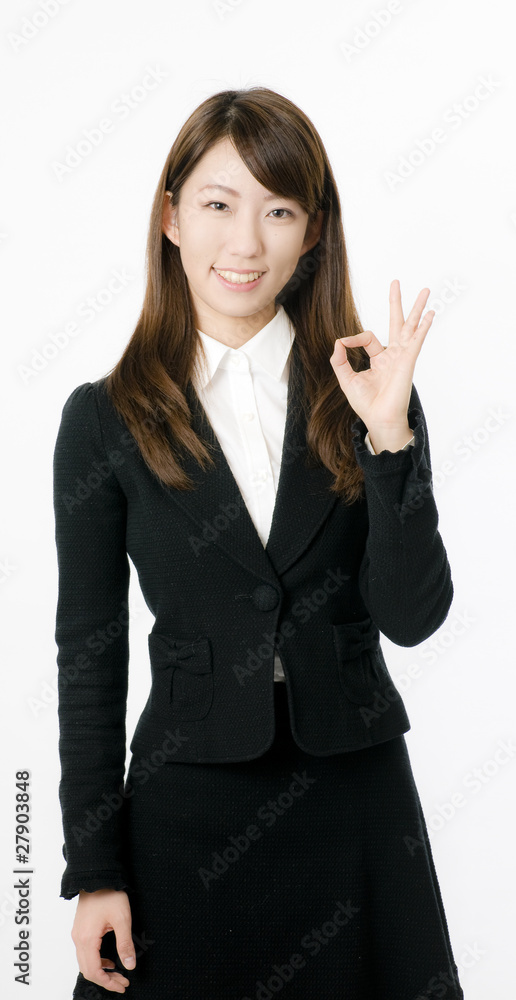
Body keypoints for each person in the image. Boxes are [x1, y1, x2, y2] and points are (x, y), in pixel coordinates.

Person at [53, 86, 464, 999]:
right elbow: (88, 655)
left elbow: (412, 618)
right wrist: (94, 869)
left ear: (312, 233)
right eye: (218, 204)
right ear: (171, 218)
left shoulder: (370, 393)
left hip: (354, 798)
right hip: (183, 809)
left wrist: (389, 440)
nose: (245, 243)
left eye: (278, 211)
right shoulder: (104, 419)